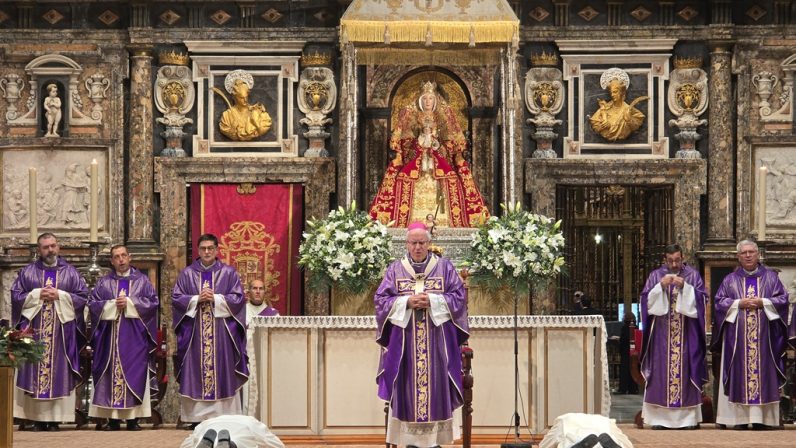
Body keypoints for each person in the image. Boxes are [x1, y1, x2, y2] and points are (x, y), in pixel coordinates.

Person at [374, 221, 469, 447]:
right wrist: (406, 301)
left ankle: (434, 441)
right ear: (406, 244)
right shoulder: (395, 269)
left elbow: (459, 299)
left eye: (422, 242)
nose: (417, 247)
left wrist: (433, 300)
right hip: (405, 346)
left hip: (437, 344)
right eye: (413, 243)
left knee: (436, 390)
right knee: (406, 390)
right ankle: (409, 441)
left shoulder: (444, 267)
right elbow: (380, 301)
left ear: (429, 243)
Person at [368, 80, 489, 227]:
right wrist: (420, 142)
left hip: (437, 159)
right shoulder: (413, 116)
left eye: (431, 98)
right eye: (425, 98)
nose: (427, 101)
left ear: (435, 101)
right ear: (420, 101)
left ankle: (443, 221)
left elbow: (450, 141)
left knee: (450, 180)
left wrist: (436, 145)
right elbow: (405, 142)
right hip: (418, 158)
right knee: (402, 178)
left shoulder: (443, 116)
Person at [11, 233, 89, 431]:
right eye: (46, 247)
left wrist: (60, 295)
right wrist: (37, 294)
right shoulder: (27, 272)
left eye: (53, 246)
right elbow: (16, 296)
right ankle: (36, 419)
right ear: (39, 250)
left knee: (58, 372)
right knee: (33, 369)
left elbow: (82, 297)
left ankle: (55, 419)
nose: (50, 250)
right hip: (34, 334)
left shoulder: (70, 273)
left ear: (59, 247)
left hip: (61, 335)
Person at [173, 233, 249, 425]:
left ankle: (222, 416)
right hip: (195, 333)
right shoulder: (188, 273)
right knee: (195, 372)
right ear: (198, 251)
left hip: (221, 334)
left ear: (216, 250)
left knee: (222, 371)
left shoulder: (229, 273)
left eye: (210, 248)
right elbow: (176, 298)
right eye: (203, 249)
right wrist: (196, 299)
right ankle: (196, 418)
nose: (207, 252)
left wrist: (215, 298)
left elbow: (238, 299)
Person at [713, 239, 789, 430]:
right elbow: (718, 302)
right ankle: (738, 419)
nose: (748, 255)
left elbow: (783, 299)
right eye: (744, 253)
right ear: (738, 257)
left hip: (765, 340)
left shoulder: (771, 277)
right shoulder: (730, 280)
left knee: (764, 373)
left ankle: (763, 419)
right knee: (739, 372)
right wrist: (739, 303)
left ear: (758, 254)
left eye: (751, 252)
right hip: (737, 341)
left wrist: (763, 302)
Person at [88, 244, 158, 431]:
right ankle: (112, 420)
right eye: (116, 257)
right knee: (110, 374)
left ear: (130, 257)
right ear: (112, 261)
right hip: (109, 338)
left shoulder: (142, 281)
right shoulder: (104, 283)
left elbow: (153, 304)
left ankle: (133, 419)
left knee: (134, 373)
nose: (121, 259)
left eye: (123, 255)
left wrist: (129, 303)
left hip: (135, 339)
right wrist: (111, 305)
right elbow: (93, 305)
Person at [639, 244, 708, 429]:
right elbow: (645, 300)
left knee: (686, 371)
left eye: (677, 260)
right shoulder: (655, 275)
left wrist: (686, 287)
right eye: (670, 260)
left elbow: (703, 299)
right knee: (660, 374)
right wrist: (660, 287)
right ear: (665, 259)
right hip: (661, 335)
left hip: (686, 334)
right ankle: (659, 420)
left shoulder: (692, 275)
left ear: (682, 257)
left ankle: (688, 420)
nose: (674, 264)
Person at [588, 68, 648, 142]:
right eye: (611, 92)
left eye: (615, 92)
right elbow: (595, 126)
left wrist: (629, 119)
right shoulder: (604, 109)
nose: (612, 95)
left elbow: (636, 125)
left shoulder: (629, 110)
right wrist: (603, 126)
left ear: (622, 93)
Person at [217, 69, 272, 141]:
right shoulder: (227, 115)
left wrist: (256, 122)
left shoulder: (257, 111)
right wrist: (233, 128)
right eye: (241, 98)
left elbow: (264, 127)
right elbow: (227, 131)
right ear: (234, 97)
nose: (245, 100)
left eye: (246, 97)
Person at [616, 311, 639, 395]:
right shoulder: (636, 327)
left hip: (626, 353)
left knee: (624, 370)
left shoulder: (625, 328)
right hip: (634, 353)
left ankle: (623, 388)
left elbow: (623, 341)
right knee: (633, 369)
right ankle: (633, 389)